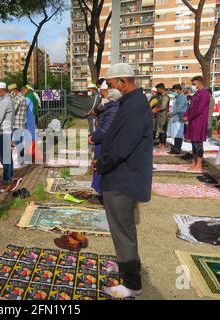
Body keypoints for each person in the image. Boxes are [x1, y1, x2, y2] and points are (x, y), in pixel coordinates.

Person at [94, 63, 153, 299]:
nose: (108, 89)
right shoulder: (130, 103)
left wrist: (102, 164)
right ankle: (125, 264)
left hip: (123, 178)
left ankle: (132, 284)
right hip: (121, 175)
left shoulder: (135, 106)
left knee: (123, 230)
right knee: (121, 229)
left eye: (110, 84)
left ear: (122, 82)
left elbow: (121, 147)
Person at [89, 86, 121, 194]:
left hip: (104, 143)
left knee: (100, 165)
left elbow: (105, 129)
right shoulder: (112, 107)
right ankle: (100, 190)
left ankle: (100, 192)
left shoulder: (113, 108)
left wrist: (93, 137)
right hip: (105, 141)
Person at [183, 76, 211, 171]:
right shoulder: (196, 94)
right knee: (193, 142)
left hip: (199, 121)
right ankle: (194, 162)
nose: (193, 86)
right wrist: (186, 115)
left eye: (194, 84)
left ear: (200, 83)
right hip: (193, 121)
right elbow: (191, 107)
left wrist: (189, 117)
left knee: (198, 143)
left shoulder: (204, 94)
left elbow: (199, 109)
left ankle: (199, 164)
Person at [0, 82, 15, 184]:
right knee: (7, 155)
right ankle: (10, 174)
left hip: (3, 131)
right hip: (7, 130)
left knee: (4, 156)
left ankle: (6, 177)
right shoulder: (8, 99)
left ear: (0, 90)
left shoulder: (4, 102)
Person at [9, 83, 29, 164]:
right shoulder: (19, 97)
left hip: (18, 124)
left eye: (11, 91)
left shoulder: (19, 98)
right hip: (18, 123)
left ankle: (21, 160)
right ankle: (21, 159)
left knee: (18, 143)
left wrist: (11, 97)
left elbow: (13, 109)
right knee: (18, 142)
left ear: (14, 90)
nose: (10, 93)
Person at [167, 84, 189, 154]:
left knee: (178, 134)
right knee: (175, 134)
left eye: (174, 91)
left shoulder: (182, 97)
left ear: (179, 90)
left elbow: (178, 109)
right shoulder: (178, 97)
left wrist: (171, 114)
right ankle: (175, 148)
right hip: (175, 118)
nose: (174, 92)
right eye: (173, 91)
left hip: (179, 118)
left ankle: (177, 149)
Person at [153, 83, 169, 150]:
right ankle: (160, 143)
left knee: (162, 130)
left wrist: (156, 110)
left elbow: (163, 106)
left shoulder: (165, 96)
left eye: (158, 89)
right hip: (159, 115)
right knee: (159, 130)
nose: (157, 90)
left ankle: (163, 144)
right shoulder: (161, 96)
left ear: (162, 89)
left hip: (163, 116)